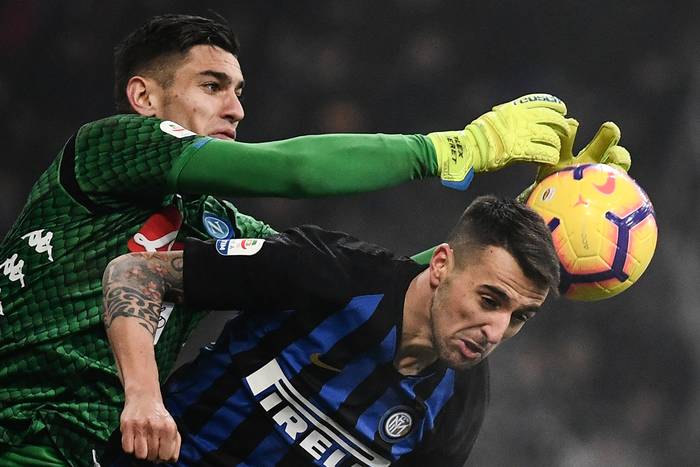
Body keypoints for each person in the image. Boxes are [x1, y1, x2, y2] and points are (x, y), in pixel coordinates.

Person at [0, 13, 630, 467]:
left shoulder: (215, 223)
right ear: (144, 95)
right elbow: (290, 170)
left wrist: (530, 223)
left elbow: (374, 280)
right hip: (22, 426)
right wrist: (456, 151)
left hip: (86, 448)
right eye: (212, 86)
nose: (237, 109)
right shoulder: (109, 146)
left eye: (240, 91)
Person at [98, 195, 559, 466]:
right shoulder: (331, 273)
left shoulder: (460, 399)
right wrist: (144, 397)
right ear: (441, 265)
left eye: (518, 317)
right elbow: (137, 273)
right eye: (489, 300)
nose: (496, 330)